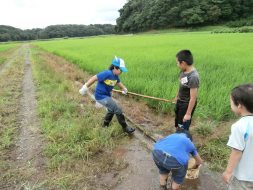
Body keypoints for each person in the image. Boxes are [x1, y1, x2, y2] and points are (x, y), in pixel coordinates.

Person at [79, 56, 135, 134]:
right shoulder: (107, 73)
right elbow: (94, 78)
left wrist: (124, 89)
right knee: (117, 109)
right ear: (115, 67)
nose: (121, 72)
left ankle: (105, 124)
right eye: (120, 70)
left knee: (111, 110)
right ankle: (125, 127)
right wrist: (85, 87)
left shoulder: (115, 76)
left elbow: (118, 82)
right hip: (100, 96)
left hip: (106, 96)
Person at [222, 83, 253, 189]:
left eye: (231, 102)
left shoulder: (239, 126)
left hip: (244, 177)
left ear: (239, 105)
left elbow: (236, 152)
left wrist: (228, 172)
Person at [174, 50, 199, 130]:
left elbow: (193, 98)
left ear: (183, 63)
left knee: (183, 125)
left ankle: (183, 136)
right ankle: (178, 132)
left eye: (177, 62)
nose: (177, 65)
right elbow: (181, 85)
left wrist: (188, 114)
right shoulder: (183, 71)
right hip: (180, 102)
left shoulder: (193, 77)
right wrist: (177, 97)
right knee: (178, 121)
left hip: (186, 105)